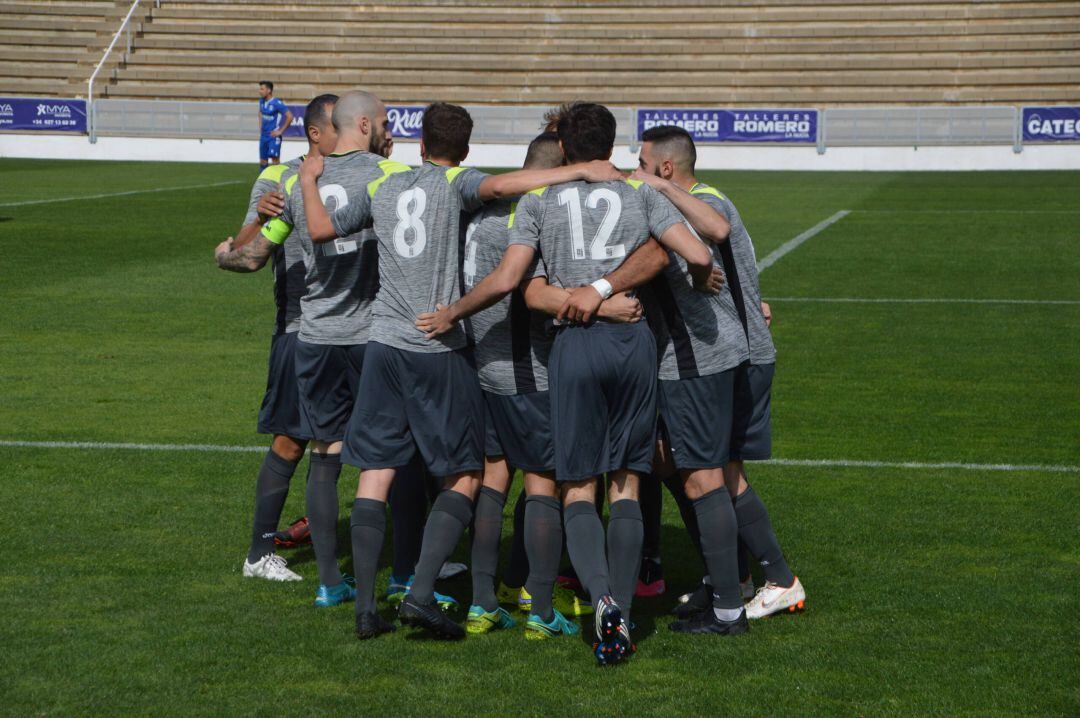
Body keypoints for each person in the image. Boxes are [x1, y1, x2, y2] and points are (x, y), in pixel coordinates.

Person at [299, 102, 625, 640]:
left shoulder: (386, 186)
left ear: (419, 144)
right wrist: (580, 169)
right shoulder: (458, 187)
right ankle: (426, 593)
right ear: (464, 151)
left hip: (381, 344)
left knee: (376, 472)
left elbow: (317, 229)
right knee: (469, 475)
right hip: (437, 346)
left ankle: (365, 609)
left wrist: (311, 178)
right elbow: (499, 188)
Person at [417, 102, 715, 664]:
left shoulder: (538, 201)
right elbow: (697, 251)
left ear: (566, 148)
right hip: (633, 342)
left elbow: (524, 289)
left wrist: (583, 299)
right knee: (625, 481)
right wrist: (691, 276)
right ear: (610, 145)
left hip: (572, 345)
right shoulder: (641, 192)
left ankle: (598, 596)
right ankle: (621, 613)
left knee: (576, 484)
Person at [459, 131, 668, 638]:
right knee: (558, 482)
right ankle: (543, 601)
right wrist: (607, 299)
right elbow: (525, 289)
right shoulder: (540, 209)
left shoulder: (481, 213)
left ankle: (488, 596)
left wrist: (451, 314)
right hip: (533, 366)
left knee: (495, 480)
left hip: (481, 365)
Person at [635, 125, 806, 623]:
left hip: (725, 356)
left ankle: (775, 579)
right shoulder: (709, 198)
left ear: (667, 168)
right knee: (719, 473)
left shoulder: (697, 204)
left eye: (643, 163)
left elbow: (707, 245)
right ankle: (740, 579)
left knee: (714, 476)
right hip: (741, 349)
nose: (636, 170)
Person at [255, 90, 400, 612]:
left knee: (323, 452)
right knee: (385, 453)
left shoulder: (296, 181)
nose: (390, 128)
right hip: (369, 335)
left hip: (313, 334)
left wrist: (228, 248)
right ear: (363, 124)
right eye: (384, 121)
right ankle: (400, 573)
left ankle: (327, 581)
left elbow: (257, 250)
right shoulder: (388, 175)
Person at [215, 93, 339, 582]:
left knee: (372, 442)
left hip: (362, 330)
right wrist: (254, 223)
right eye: (341, 125)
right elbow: (245, 252)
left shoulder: (368, 172)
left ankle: (398, 555)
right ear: (315, 133)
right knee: (292, 440)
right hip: (300, 329)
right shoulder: (278, 179)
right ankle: (259, 553)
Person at [258, 81, 293, 169]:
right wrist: (260, 126)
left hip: (273, 136)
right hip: (264, 135)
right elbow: (260, 113)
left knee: (275, 160)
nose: (259, 91)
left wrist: (280, 131)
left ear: (269, 90)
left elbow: (290, 116)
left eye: (262, 89)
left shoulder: (277, 103)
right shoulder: (262, 101)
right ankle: (264, 181)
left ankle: (277, 181)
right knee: (263, 161)